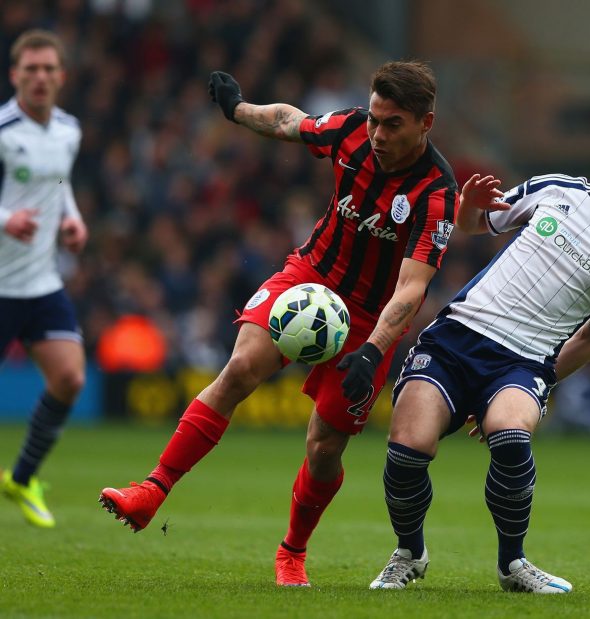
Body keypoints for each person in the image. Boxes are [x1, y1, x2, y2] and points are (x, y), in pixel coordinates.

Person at [99, 60, 460, 587]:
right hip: (309, 276)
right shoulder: (350, 130)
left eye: (393, 124)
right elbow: (291, 121)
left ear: (426, 123)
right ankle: (151, 490)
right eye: (374, 119)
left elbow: (411, 288)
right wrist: (237, 109)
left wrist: (375, 348)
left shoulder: (437, 193)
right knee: (240, 367)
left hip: (369, 319)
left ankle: (292, 551)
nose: (378, 134)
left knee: (324, 446)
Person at [369, 110, 590, 593]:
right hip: (457, 338)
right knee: (407, 448)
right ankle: (409, 552)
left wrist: (542, 381)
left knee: (510, 434)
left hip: (523, 362)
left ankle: (512, 564)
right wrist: (469, 207)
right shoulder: (556, 190)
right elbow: (473, 224)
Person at [0, 30, 87, 529]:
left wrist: (71, 219)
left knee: (70, 378)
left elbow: (59, 182)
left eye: (48, 68)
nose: (39, 77)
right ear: (14, 75)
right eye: (30, 68)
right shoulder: (4, 130)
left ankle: (22, 478)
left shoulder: (68, 130)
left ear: (61, 76)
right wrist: (5, 219)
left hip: (40, 282)